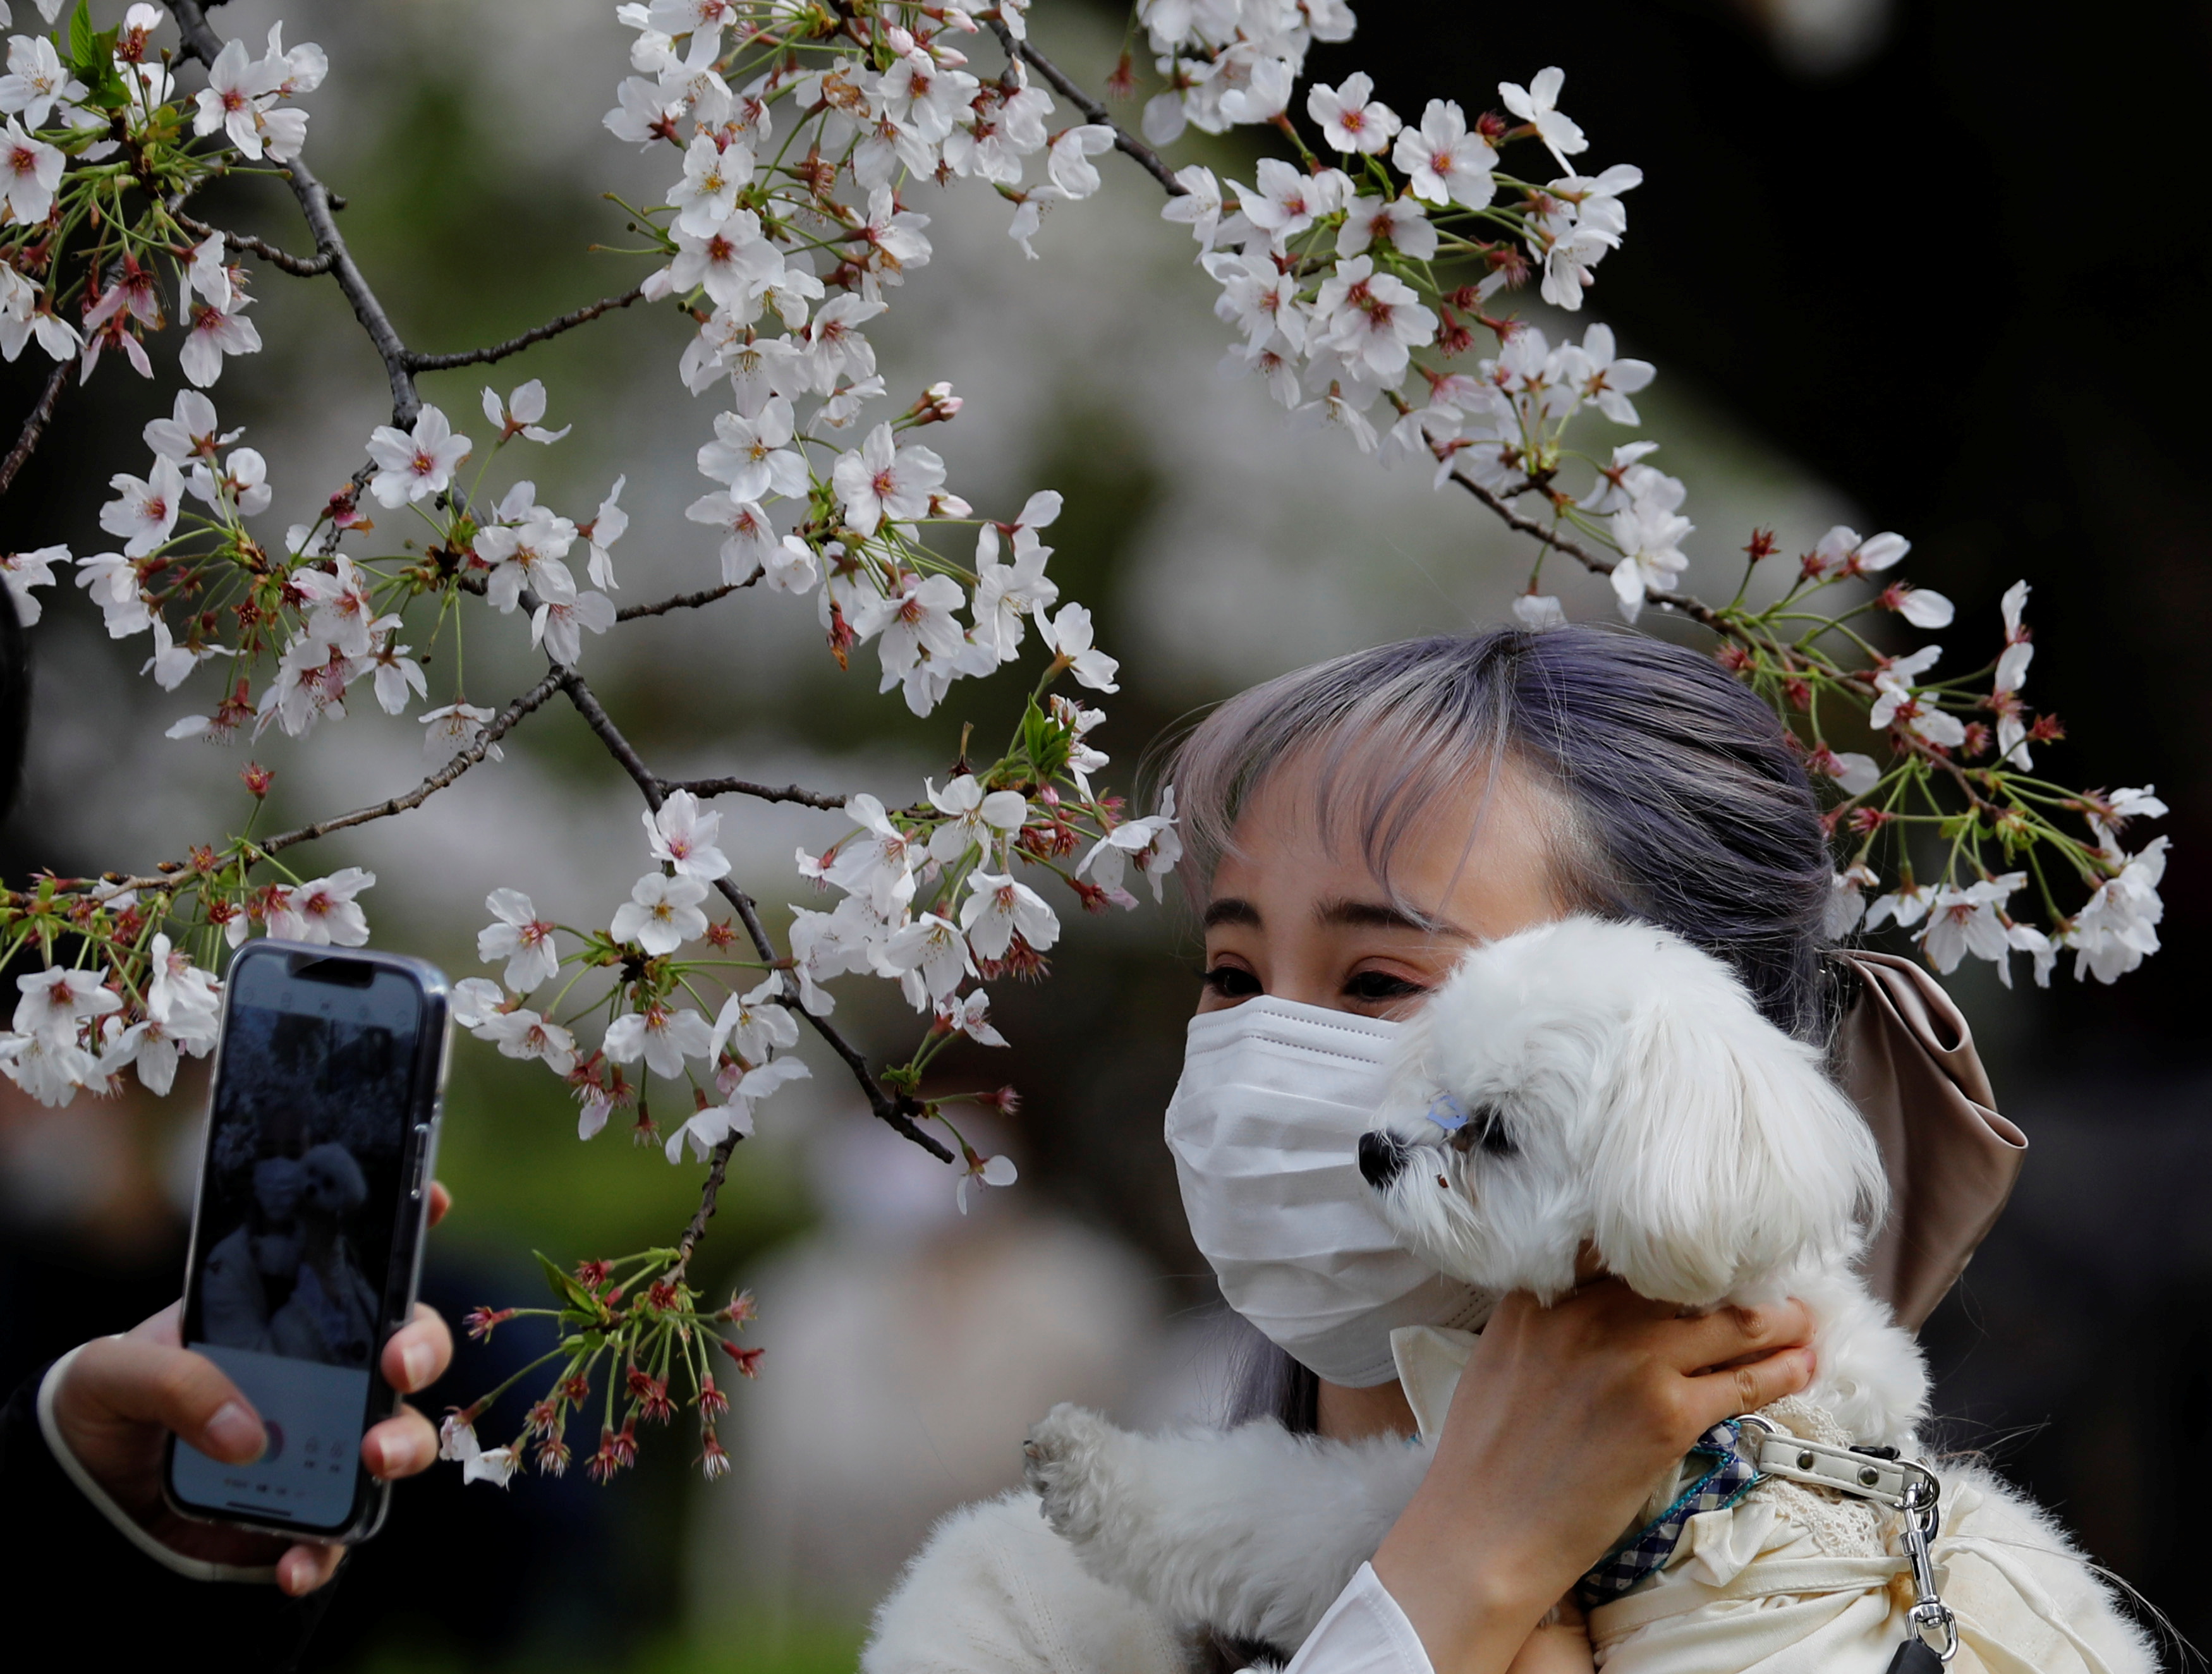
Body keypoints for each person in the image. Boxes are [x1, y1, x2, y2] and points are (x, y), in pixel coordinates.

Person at [860, 628, 2087, 1674]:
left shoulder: (1970, 1611)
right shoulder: (1029, 1612)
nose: (1264, 1048)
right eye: (1231, 972)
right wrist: (1458, 1571)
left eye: (1382, 979)